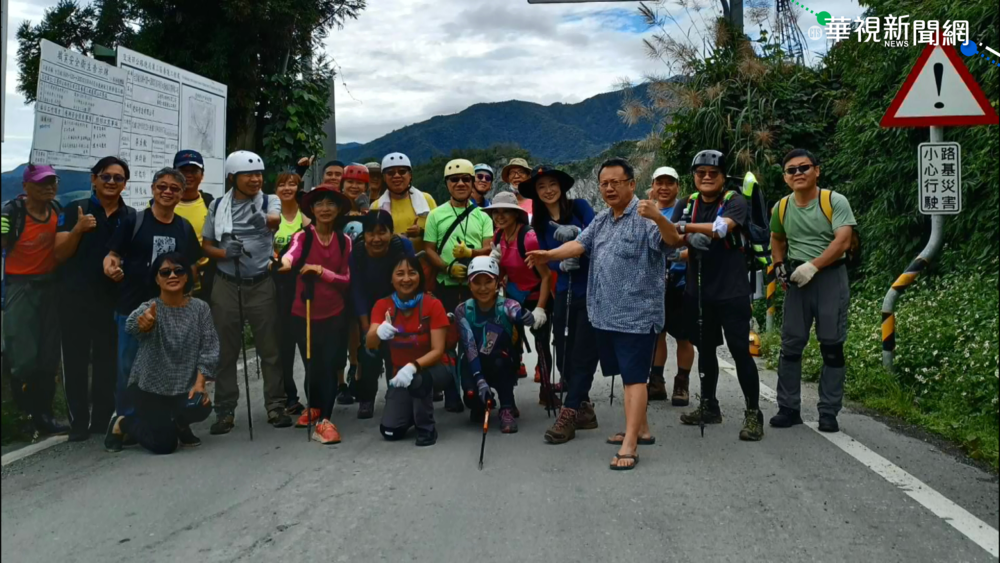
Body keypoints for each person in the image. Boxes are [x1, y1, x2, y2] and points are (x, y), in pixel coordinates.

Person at [527, 158, 680, 471]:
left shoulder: (645, 216)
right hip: (606, 314)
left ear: (631, 184)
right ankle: (642, 429)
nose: (609, 188)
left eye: (616, 182)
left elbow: (672, 241)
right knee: (627, 377)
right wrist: (549, 255)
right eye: (604, 183)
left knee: (636, 379)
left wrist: (658, 217)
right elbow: (579, 245)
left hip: (637, 316)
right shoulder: (603, 219)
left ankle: (631, 444)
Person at [670, 150, 764, 442]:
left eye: (713, 173)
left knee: (739, 352)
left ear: (723, 177)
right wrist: (683, 238)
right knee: (705, 350)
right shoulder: (687, 204)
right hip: (698, 291)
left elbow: (723, 229)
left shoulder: (733, 200)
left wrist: (687, 229)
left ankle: (753, 413)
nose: (707, 177)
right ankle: (709, 405)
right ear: (694, 176)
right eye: (701, 173)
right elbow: (671, 236)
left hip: (732, 291)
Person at [104, 168, 202, 424]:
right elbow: (113, 254)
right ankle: (126, 420)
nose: (167, 191)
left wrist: (188, 298)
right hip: (132, 305)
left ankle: (169, 419)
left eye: (174, 188)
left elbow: (191, 267)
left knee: (173, 365)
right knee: (128, 366)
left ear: (181, 194)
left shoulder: (184, 227)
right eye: (162, 186)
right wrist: (110, 265)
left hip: (171, 309)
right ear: (153, 188)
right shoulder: (133, 222)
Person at [203, 151, 291, 434]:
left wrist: (265, 221)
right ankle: (225, 409)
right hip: (227, 282)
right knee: (226, 351)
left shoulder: (269, 200)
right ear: (232, 178)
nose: (256, 179)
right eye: (248, 175)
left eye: (258, 174)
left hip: (261, 282)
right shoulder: (218, 206)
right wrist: (223, 252)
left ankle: (275, 405)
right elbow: (206, 245)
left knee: (270, 348)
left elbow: (275, 220)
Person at [770, 149, 857, 434]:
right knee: (791, 345)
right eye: (791, 170)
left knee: (831, 345)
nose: (798, 173)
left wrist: (813, 266)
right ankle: (788, 408)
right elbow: (777, 238)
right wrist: (779, 265)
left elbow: (843, 241)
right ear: (785, 178)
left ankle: (829, 412)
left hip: (830, 277)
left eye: (804, 168)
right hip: (797, 280)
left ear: (816, 170)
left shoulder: (833, 201)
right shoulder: (781, 207)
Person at [103, 252, 218, 454]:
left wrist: (200, 384)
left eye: (178, 270)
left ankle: (180, 425)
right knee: (165, 445)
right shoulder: (151, 307)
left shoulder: (201, 309)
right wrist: (144, 323)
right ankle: (123, 423)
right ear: (157, 279)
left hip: (182, 387)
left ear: (186, 276)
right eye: (165, 272)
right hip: (149, 388)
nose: (172, 275)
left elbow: (209, 347)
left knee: (202, 405)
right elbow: (132, 324)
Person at [520, 164, 601, 444]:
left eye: (552, 184)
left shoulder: (580, 206)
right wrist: (559, 259)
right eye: (541, 187)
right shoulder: (540, 224)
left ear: (562, 186)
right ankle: (584, 407)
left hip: (590, 289)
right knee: (563, 347)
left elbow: (596, 237)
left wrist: (576, 239)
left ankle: (569, 412)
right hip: (564, 289)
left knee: (584, 350)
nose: (548, 190)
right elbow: (546, 258)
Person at [55, 157, 132, 441]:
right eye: (106, 177)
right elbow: (58, 254)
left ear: (125, 183)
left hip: (111, 301)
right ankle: (78, 422)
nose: (111, 182)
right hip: (74, 299)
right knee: (74, 362)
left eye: (118, 178)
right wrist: (78, 229)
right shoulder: (75, 209)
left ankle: (101, 419)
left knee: (106, 362)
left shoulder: (130, 217)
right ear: (94, 179)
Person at [277, 185, 353, 445]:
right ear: (311, 209)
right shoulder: (303, 237)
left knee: (330, 364)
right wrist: (283, 264)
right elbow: (290, 256)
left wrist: (321, 271)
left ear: (339, 209)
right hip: (304, 312)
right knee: (312, 363)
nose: (325, 209)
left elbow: (345, 279)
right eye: (319, 204)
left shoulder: (345, 242)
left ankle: (325, 421)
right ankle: (316, 405)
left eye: (331, 204)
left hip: (334, 313)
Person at [1, 164, 69, 435]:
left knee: (48, 356)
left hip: (51, 286)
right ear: (26, 186)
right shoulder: (13, 213)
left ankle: (44, 415)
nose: (49, 187)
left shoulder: (56, 212)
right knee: (24, 358)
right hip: (21, 286)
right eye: (41, 183)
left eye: (52, 182)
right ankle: (23, 408)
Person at [366, 255, 449, 447]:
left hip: (435, 370)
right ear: (391, 278)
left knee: (418, 380)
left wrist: (413, 367)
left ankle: (426, 428)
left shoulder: (432, 304)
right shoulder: (382, 305)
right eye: (400, 274)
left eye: (412, 273)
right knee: (390, 430)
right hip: (400, 375)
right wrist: (378, 332)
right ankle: (411, 410)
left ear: (419, 276)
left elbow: (438, 350)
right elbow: (370, 342)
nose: (406, 279)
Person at [483, 191, 554, 410]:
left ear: (516, 214)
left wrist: (540, 309)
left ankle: (547, 391)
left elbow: (546, 276)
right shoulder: (499, 237)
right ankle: (508, 398)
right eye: (496, 212)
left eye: (506, 212)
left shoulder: (529, 238)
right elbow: (504, 269)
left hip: (535, 296)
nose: (500, 216)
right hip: (513, 297)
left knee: (542, 343)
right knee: (510, 346)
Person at [455, 257, 536, 434]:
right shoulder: (462, 310)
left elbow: (517, 311)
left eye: (488, 282)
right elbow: (469, 348)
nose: (483, 288)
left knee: (500, 359)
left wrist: (526, 316)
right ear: (469, 284)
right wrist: (480, 380)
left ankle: (506, 406)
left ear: (498, 283)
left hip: (500, 361)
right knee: (472, 397)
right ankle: (480, 403)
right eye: (477, 282)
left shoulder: (507, 305)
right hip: (474, 361)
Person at [349, 210, 416, 419]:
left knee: (396, 352)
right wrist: (365, 325)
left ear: (391, 233)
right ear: (364, 234)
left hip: (399, 304)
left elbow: (412, 277)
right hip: (369, 307)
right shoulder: (357, 252)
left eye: (382, 232)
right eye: (371, 233)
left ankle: (395, 395)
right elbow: (356, 289)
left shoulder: (403, 247)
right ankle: (366, 398)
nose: (376, 239)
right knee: (369, 353)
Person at [647, 167, 695, 407]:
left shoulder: (687, 211)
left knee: (684, 336)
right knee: (657, 334)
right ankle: (656, 383)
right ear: (653, 186)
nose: (664, 187)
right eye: (660, 183)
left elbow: (695, 245)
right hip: (653, 282)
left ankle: (681, 385)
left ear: (677, 186)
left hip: (681, 282)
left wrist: (679, 256)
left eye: (669, 183)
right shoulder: (645, 211)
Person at [423, 159, 494, 312]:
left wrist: (470, 253)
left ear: (472, 182)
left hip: (475, 285)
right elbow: (429, 249)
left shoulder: (484, 216)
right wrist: (448, 268)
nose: (460, 183)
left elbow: (488, 249)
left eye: (466, 179)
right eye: (454, 179)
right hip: (445, 284)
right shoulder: (435, 215)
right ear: (447, 183)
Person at [273, 171, 310, 415]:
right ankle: (290, 396)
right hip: (275, 287)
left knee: (307, 345)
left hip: (301, 287)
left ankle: (314, 397)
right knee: (283, 346)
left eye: (292, 184)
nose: (287, 188)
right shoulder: (269, 215)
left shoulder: (305, 217)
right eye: (282, 184)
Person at [373, 152, 437, 252]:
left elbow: (439, 231)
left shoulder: (426, 199)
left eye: (402, 172)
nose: (397, 176)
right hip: (390, 262)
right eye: (390, 173)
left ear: (410, 175)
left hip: (424, 261)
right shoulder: (376, 206)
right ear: (384, 178)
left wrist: (421, 232)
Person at [172, 150, 215, 299]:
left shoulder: (211, 204)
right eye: (183, 170)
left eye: (194, 171)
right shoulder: (158, 205)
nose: (189, 175)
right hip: (170, 279)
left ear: (202, 175)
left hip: (205, 279)